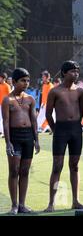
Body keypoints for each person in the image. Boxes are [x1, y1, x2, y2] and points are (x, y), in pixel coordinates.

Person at [44, 61, 83, 212]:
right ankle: (51, 204)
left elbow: (82, 111)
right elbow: (48, 114)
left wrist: (77, 124)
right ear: (64, 73)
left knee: (74, 166)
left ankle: (76, 201)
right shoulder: (55, 91)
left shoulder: (80, 91)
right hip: (61, 130)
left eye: (77, 71)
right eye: (72, 71)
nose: (75, 74)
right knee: (57, 166)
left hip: (76, 130)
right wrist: (55, 128)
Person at [2, 68, 40, 214]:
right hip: (15, 136)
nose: (26, 83)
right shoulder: (8, 100)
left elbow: (34, 120)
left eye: (28, 80)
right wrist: (8, 143)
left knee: (24, 171)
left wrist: (36, 140)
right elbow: (5, 122)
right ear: (15, 81)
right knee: (14, 171)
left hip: (28, 137)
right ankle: (14, 205)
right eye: (23, 80)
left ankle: (22, 204)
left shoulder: (30, 99)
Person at [0, 72, 12, 137]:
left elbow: (10, 95)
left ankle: (5, 132)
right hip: (0, 104)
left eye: (1, 78)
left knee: (4, 118)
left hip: (5, 104)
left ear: (4, 79)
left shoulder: (7, 86)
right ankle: (1, 131)